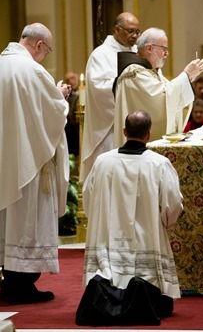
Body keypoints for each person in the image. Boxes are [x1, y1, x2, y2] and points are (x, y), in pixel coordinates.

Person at [0, 23, 70, 304]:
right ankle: (20, 286)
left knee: (11, 222)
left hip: (2, 160)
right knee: (25, 221)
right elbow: (53, 111)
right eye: (47, 51)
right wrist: (62, 97)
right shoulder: (31, 70)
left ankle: (12, 281)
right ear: (39, 45)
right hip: (27, 163)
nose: (45, 57)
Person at [77, 111, 183, 325]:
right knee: (160, 302)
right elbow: (173, 206)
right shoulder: (159, 164)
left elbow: (88, 199)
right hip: (148, 242)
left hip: (108, 244)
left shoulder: (103, 162)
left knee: (108, 275)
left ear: (124, 132)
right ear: (149, 134)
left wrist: (101, 220)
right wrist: (164, 226)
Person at [113, 27, 203, 146]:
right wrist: (185, 75)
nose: (167, 54)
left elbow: (169, 92)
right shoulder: (135, 74)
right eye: (164, 49)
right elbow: (161, 99)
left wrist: (187, 79)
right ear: (149, 48)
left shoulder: (151, 72)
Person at [79, 12, 140, 183]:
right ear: (117, 29)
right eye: (130, 31)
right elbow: (98, 88)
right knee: (110, 178)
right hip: (109, 127)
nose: (134, 36)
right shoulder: (100, 54)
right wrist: (125, 82)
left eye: (137, 32)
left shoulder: (137, 53)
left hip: (133, 125)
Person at [62, 71, 80, 156]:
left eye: (72, 78)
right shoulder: (65, 97)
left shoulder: (85, 92)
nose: (70, 81)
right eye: (68, 79)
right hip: (71, 130)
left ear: (78, 79)